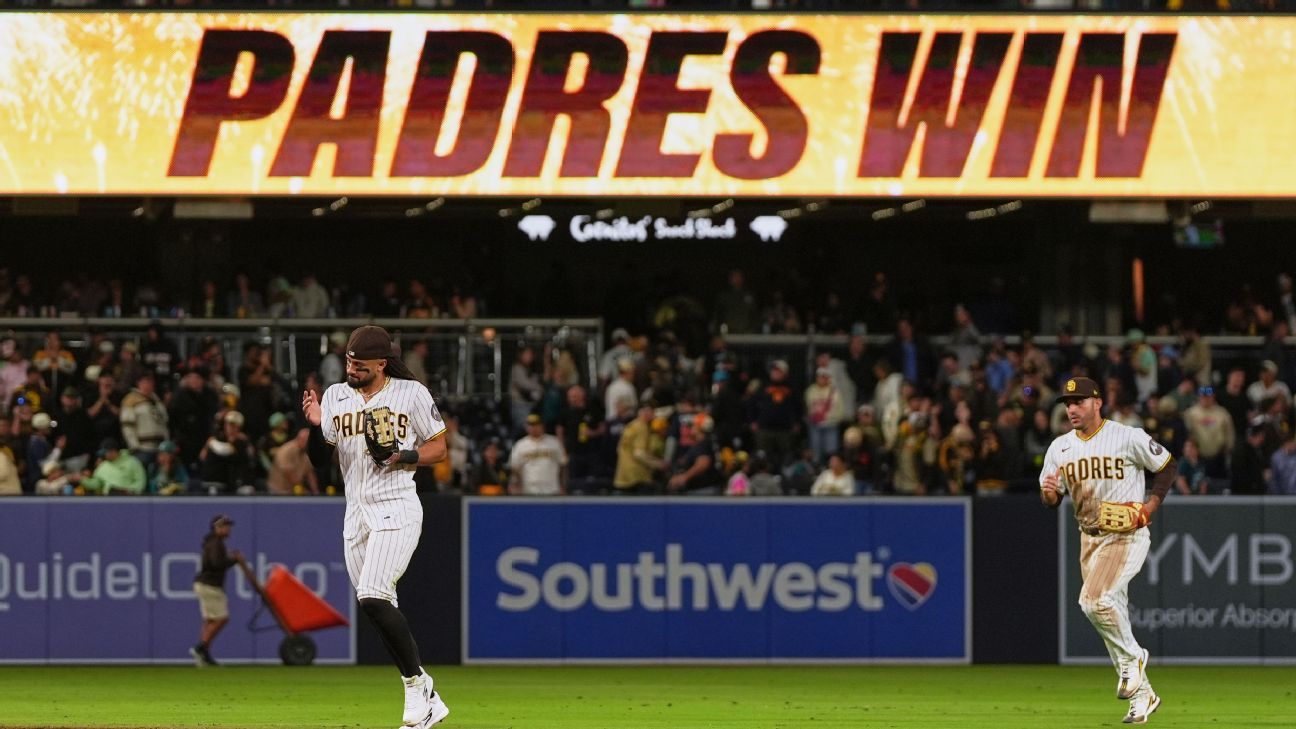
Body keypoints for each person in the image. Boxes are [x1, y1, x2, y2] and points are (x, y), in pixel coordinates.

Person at [302, 325, 450, 728]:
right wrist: (315, 424)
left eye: (360, 365)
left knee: (372, 595)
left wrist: (403, 455)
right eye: (349, 362)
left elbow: (439, 447)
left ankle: (417, 691)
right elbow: (320, 460)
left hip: (396, 505)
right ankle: (427, 693)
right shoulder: (337, 395)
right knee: (378, 608)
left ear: (382, 364)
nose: (352, 369)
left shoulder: (411, 393)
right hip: (356, 513)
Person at [1040, 377, 1176, 725]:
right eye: (1068, 403)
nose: (1072, 408)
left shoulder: (1127, 436)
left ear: (1097, 403)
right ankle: (1143, 697)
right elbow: (1051, 499)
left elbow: (1166, 465)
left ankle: (1135, 657)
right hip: (1089, 539)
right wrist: (1050, 492)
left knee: (1093, 601)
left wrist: (1150, 506)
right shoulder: (1059, 448)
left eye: (1079, 401)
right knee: (1111, 616)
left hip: (1125, 534)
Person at [190, 514, 245, 667]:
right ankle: (201, 648)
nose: (229, 529)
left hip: (204, 584)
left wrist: (231, 559)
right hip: (210, 585)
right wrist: (234, 560)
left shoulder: (213, 541)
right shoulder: (216, 543)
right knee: (222, 618)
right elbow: (216, 563)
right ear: (217, 528)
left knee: (210, 620)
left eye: (228, 526)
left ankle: (204, 655)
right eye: (225, 526)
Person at [509, 413, 567, 495]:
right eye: (531, 425)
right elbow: (515, 469)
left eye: (536, 425)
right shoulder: (520, 445)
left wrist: (563, 486)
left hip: (552, 489)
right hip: (528, 490)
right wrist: (515, 485)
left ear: (542, 426)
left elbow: (563, 465)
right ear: (527, 427)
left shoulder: (554, 442)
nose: (533, 428)